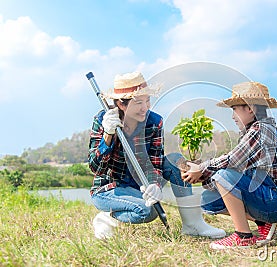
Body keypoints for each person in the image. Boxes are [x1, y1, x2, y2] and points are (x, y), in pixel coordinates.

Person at [88, 71, 225, 239]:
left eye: (147, 100)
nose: (145, 107)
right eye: (138, 102)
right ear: (121, 104)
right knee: (147, 212)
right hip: (109, 189)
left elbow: (156, 162)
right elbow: (95, 167)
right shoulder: (103, 119)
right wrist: (108, 135)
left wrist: (156, 185)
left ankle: (192, 224)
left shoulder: (154, 122)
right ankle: (107, 218)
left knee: (175, 160)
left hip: (139, 187)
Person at [182, 81, 277, 249]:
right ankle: (262, 221)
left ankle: (243, 236)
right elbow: (238, 168)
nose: (232, 116)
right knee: (209, 200)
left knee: (223, 175)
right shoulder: (253, 130)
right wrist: (202, 175)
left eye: (234, 109)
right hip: (269, 195)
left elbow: (232, 160)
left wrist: (202, 167)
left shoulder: (261, 129)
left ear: (250, 109)